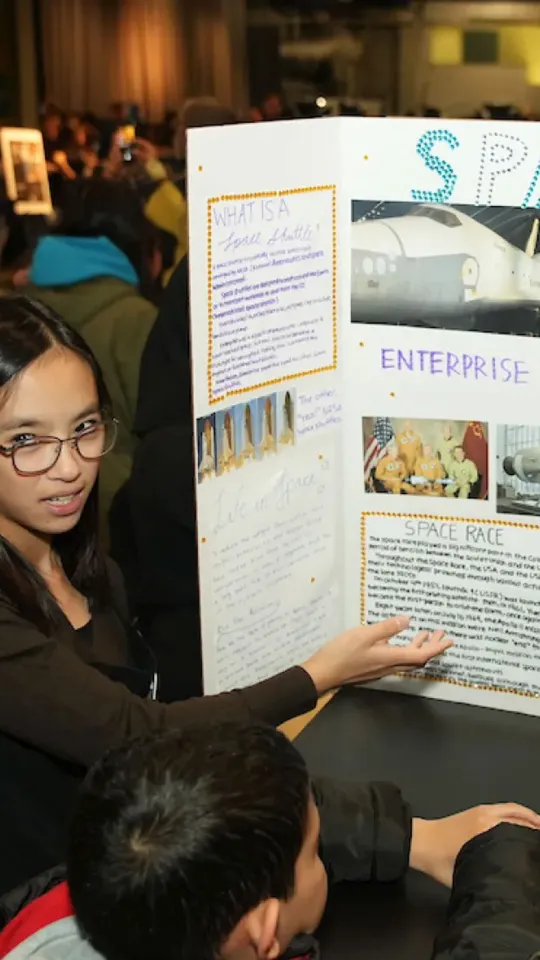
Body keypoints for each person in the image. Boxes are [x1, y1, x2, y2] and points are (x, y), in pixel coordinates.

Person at [0, 295, 453, 895]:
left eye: (84, 428)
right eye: (27, 440)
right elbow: (137, 736)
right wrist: (317, 674)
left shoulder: (90, 568)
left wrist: (409, 838)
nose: (70, 467)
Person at [1, 724, 540, 959]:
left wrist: (415, 837)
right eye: (312, 853)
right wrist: (507, 872)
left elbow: (235, 811)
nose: (320, 847)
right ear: (264, 932)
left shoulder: (105, 877)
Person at [23, 180, 160, 538]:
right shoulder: (135, 319)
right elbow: (152, 427)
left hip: (33, 510)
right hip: (115, 515)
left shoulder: (22, 304)